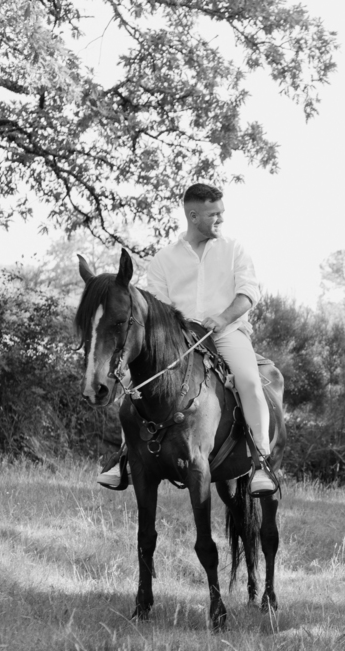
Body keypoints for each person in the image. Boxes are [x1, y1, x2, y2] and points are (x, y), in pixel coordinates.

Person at [98, 182, 276, 495]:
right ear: (193, 216)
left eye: (221, 213)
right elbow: (156, 308)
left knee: (248, 380)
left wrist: (221, 318)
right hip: (179, 341)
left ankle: (261, 461)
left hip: (227, 333)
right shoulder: (164, 259)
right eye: (213, 215)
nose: (220, 219)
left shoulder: (234, 249)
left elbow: (249, 293)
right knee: (135, 388)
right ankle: (123, 459)